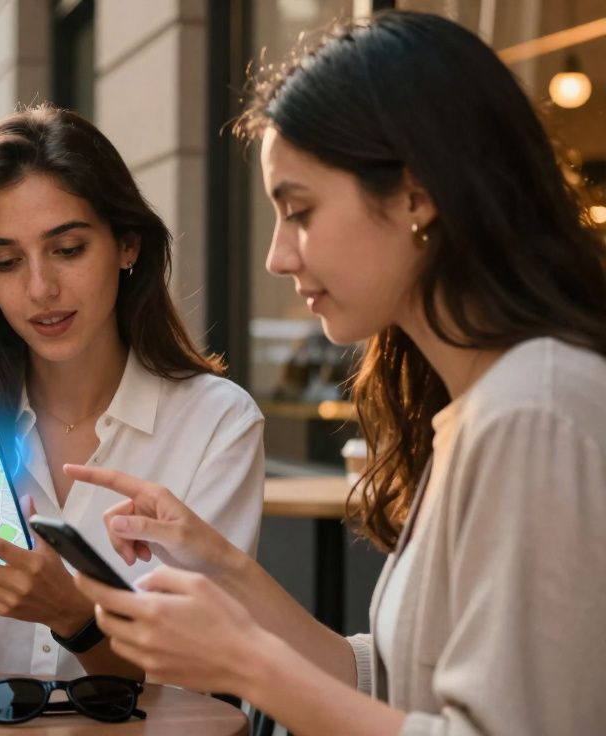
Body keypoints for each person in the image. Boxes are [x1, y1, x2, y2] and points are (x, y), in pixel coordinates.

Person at [70, 11, 606, 735]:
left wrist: (246, 667)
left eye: (299, 211)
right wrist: (218, 562)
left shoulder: (531, 413)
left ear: (416, 195)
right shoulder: (485, 405)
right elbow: (388, 684)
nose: (277, 257)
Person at [0, 106, 266, 680]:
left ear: (127, 246)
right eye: (6, 261)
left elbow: (201, 676)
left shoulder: (216, 422)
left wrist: (73, 615)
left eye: (68, 249)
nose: (40, 289)